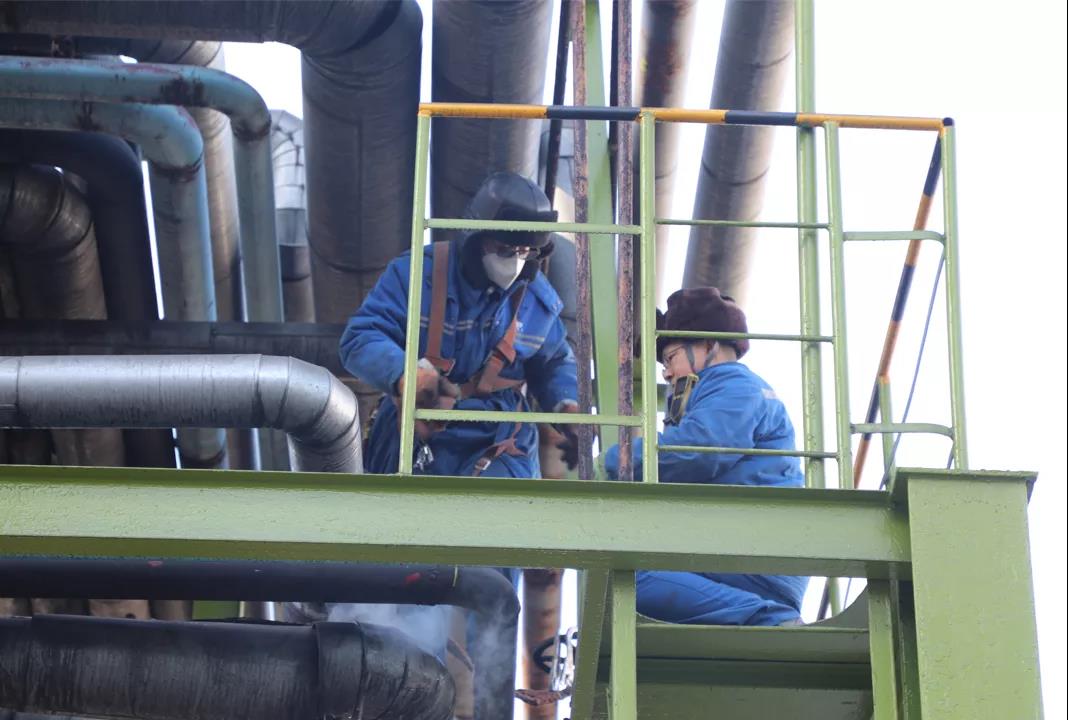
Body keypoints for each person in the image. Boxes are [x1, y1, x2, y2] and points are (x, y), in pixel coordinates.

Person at [340, 170, 580, 479]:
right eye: (505, 250)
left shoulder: (536, 300)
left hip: (498, 434)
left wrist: (569, 408)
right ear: (475, 238)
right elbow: (360, 338)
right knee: (397, 496)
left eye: (525, 252)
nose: (515, 262)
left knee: (508, 499)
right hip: (420, 419)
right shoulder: (416, 276)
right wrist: (407, 376)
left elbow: (554, 363)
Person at [602, 287, 809, 626]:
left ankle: (772, 620)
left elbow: (697, 452)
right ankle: (761, 616)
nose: (666, 373)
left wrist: (615, 461)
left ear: (709, 346)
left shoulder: (734, 385)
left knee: (628, 580)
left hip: (751, 555)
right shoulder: (729, 390)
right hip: (749, 554)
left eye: (670, 358)